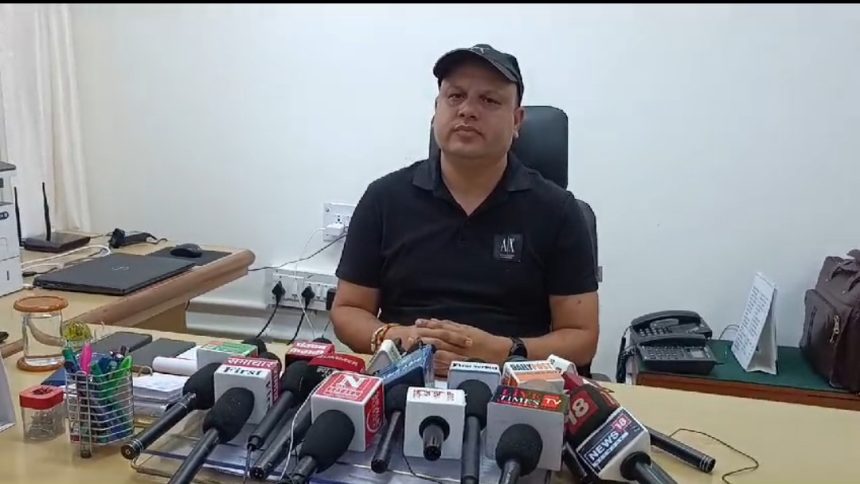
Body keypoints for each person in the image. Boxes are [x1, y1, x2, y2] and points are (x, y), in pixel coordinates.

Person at [330, 44, 599, 376]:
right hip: (402, 377)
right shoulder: (383, 198)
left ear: (516, 121)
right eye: (455, 96)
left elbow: (582, 337)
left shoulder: (558, 211)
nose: (468, 110)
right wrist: (401, 338)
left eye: (489, 100)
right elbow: (348, 309)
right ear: (436, 111)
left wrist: (503, 351)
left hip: (512, 385)